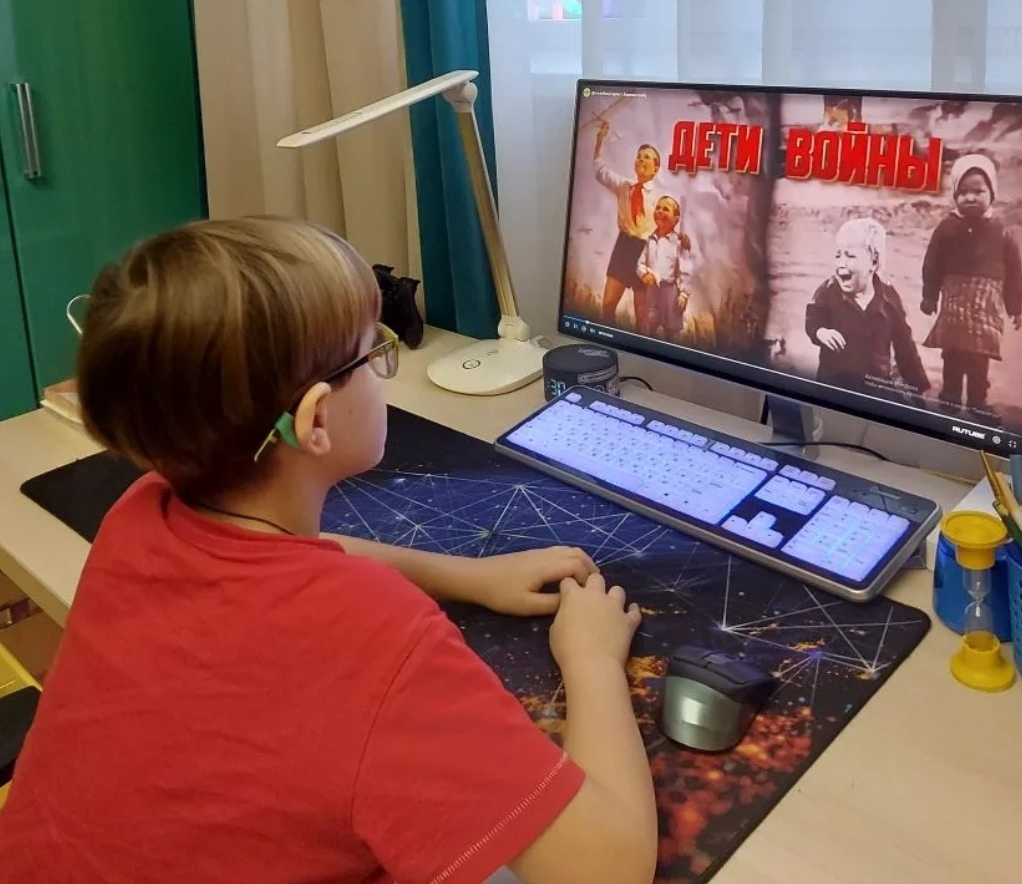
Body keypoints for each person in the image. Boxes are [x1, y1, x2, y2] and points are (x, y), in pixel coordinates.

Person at [0, 218, 657, 884]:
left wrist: (470, 576)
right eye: (374, 355)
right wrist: (591, 658)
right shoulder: (373, 634)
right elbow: (608, 869)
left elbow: (307, 558)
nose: (383, 372)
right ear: (313, 420)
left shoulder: (143, 514)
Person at [920, 153, 1022, 415]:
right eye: (963, 192)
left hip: (985, 310)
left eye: (978, 191)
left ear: (992, 193)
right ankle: (950, 398)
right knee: (952, 356)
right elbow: (932, 263)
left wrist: (1015, 307)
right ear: (955, 195)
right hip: (954, 308)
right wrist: (929, 296)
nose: (970, 197)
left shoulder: (1001, 231)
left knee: (980, 359)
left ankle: (978, 402)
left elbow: (1014, 272)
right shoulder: (947, 228)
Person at [805, 217, 929, 397]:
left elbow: (905, 345)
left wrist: (917, 384)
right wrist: (820, 332)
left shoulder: (888, 298)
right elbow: (813, 318)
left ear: (874, 262)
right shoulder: (828, 291)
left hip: (877, 386)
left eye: (850, 256)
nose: (841, 263)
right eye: (838, 255)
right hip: (835, 386)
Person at [593, 119, 690, 326]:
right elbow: (599, 171)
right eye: (638, 156)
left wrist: (680, 240)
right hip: (623, 247)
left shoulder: (660, 197)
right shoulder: (624, 186)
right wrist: (600, 140)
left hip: (646, 252)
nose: (641, 160)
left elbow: (671, 222)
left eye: (647, 157)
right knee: (608, 305)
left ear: (655, 169)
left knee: (642, 316)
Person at [636, 195, 692, 338]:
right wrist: (644, 274)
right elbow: (640, 263)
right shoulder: (650, 240)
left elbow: (685, 270)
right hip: (652, 290)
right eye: (658, 208)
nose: (660, 211)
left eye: (666, 209)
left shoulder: (678, 243)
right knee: (650, 323)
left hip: (670, 292)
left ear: (676, 219)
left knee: (671, 328)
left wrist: (684, 294)